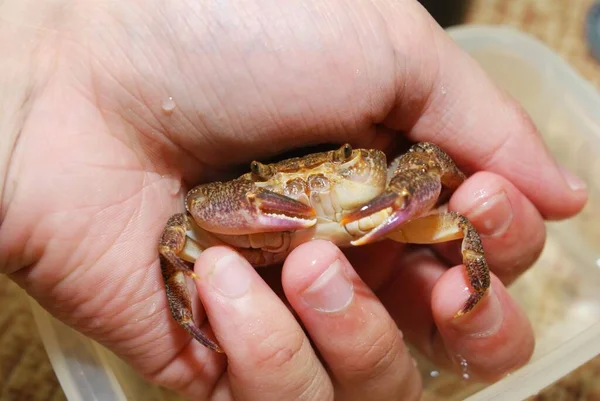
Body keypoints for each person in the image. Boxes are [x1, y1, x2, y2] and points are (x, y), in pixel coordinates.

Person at [0, 1, 588, 400]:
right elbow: (184, 224)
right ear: (258, 184)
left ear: (364, 165)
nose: (314, 191)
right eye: (290, 185)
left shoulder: (390, 173)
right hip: (261, 230)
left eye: (337, 173)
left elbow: (441, 184)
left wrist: (38, 96)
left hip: (390, 216)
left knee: (460, 216)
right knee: (176, 235)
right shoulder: (241, 202)